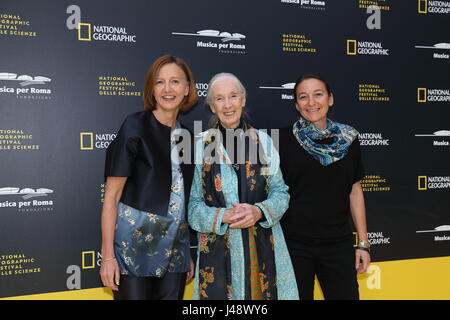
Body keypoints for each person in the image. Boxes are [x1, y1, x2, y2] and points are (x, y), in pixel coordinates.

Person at [188, 72, 299, 300]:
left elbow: (281, 193)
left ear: (244, 99)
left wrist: (258, 211)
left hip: (264, 252)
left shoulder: (265, 142)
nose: (228, 104)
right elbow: (192, 208)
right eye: (219, 98)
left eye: (233, 96)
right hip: (217, 257)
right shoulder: (199, 147)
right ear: (211, 106)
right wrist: (224, 216)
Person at [100, 54, 198, 300]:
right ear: (151, 89)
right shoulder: (134, 126)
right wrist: (108, 256)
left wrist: (187, 252)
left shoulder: (187, 137)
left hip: (175, 249)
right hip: (133, 246)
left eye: (175, 81)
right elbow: (112, 197)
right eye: (159, 82)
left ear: (187, 89)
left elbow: (182, 200)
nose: (167, 89)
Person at [278, 73, 370, 300]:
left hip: (338, 243)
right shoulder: (280, 139)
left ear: (330, 99)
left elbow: (355, 191)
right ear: (296, 105)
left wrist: (363, 244)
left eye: (318, 95)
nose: (311, 103)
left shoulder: (349, 139)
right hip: (293, 245)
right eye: (303, 97)